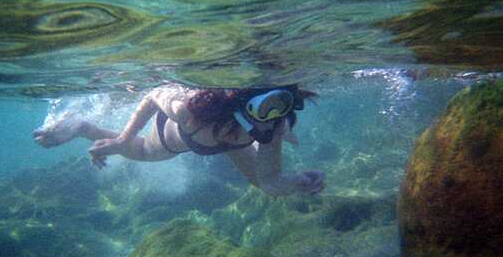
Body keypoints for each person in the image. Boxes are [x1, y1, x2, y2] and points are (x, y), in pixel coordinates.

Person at [33, 84, 325, 196]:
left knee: (258, 181)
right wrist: (123, 139)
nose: (271, 119)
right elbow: (152, 95)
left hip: (228, 143)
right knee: (145, 151)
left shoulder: (272, 124)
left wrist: (295, 183)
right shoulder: (191, 110)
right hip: (180, 136)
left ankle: (98, 134)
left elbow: (270, 182)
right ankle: (84, 127)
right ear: (242, 105)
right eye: (267, 109)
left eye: (281, 110)